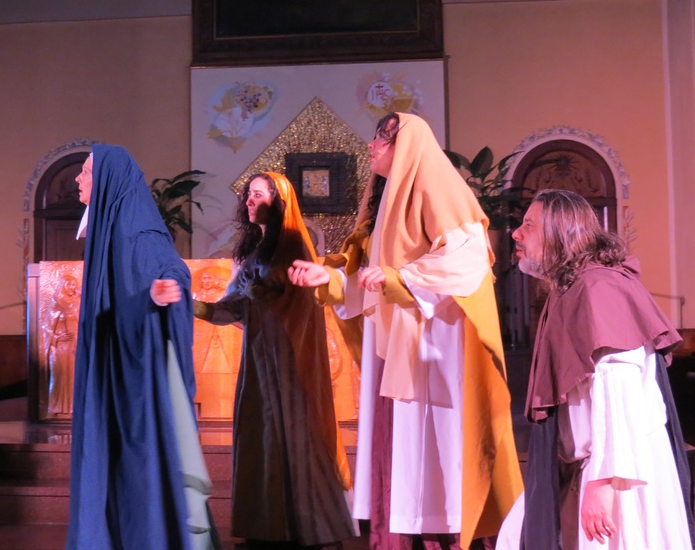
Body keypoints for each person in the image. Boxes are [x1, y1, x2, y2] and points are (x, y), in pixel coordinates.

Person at [289, 112, 523, 550]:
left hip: (435, 344)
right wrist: (331, 278)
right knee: (399, 446)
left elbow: (467, 260)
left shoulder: (441, 189)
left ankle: (446, 535)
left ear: (408, 146)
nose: (373, 145)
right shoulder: (383, 206)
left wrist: (402, 278)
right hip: (395, 341)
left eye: (384, 138)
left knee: (436, 450)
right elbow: (368, 274)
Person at [503, 188, 694, 550]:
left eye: (529, 225)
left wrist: (604, 482)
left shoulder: (598, 288)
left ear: (560, 232)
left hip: (619, 473)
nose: (516, 234)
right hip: (591, 466)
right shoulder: (576, 286)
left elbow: (618, 385)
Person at [194, 171, 356, 548]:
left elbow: (299, 302)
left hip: (290, 360)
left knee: (297, 436)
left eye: (258, 195)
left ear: (278, 202)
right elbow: (234, 307)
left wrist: (262, 296)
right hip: (259, 361)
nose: (250, 201)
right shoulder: (253, 253)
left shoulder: (294, 246)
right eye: (248, 195)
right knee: (261, 436)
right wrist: (197, 307)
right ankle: (268, 527)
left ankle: (312, 528)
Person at [67, 145, 216, 550]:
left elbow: (171, 267)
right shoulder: (111, 226)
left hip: (133, 372)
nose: (78, 178)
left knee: (137, 461)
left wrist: (164, 288)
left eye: (86, 172)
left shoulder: (136, 231)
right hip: (112, 359)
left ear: (108, 181)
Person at [44, 273, 80, 415]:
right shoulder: (56, 302)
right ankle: (55, 409)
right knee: (59, 377)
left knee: (73, 376)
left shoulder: (78, 302)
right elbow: (47, 327)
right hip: (58, 347)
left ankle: (72, 408)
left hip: (74, 346)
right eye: (69, 284)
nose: (72, 287)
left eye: (74, 284)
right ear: (63, 286)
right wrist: (57, 337)